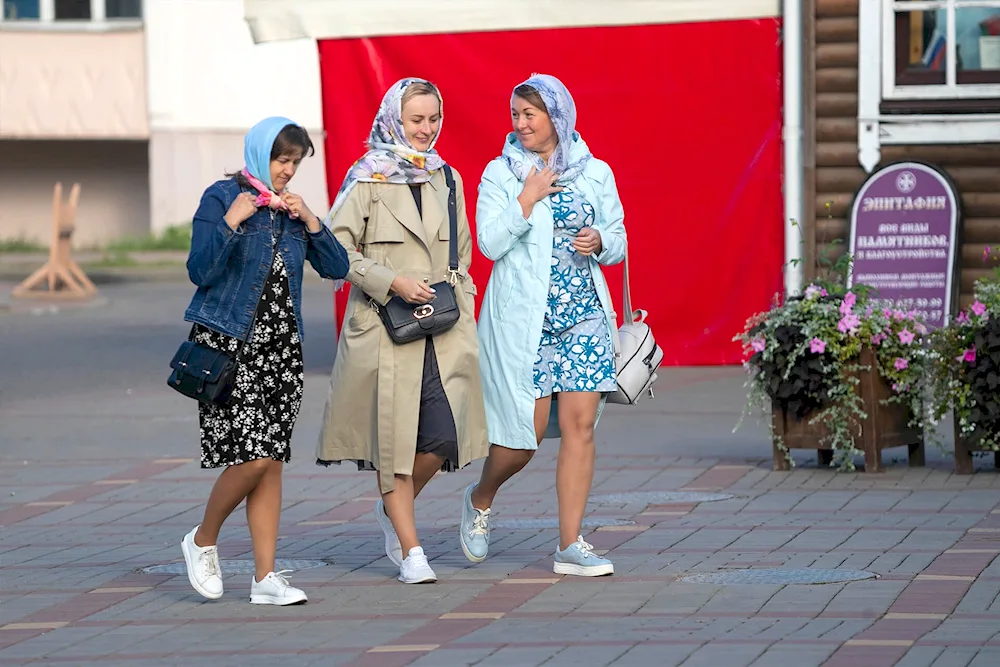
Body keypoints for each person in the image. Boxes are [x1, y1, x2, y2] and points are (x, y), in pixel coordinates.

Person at [316, 78, 489, 584]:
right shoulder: (367, 178)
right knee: (393, 438)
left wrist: (464, 305)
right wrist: (391, 281)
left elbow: (461, 257)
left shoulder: (447, 177)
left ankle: (395, 508)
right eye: (416, 120)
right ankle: (413, 551)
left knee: (443, 436)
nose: (426, 130)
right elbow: (333, 251)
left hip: (444, 327)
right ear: (396, 117)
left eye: (434, 119)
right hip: (384, 330)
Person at [462, 74, 626, 576]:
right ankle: (481, 497)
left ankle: (571, 544)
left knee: (581, 429)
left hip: (584, 318)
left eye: (530, 114)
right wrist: (526, 197)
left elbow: (620, 239)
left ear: (557, 117)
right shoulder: (501, 173)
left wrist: (601, 239)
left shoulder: (594, 171)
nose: (521, 123)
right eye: (515, 114)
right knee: (520, 440)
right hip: (524, 323)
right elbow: (488, 245)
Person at [180, 117, 350, 605]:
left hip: (282, 349)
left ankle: (265, 577)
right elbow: (199, 270)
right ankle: (202, 539)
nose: (288, 171)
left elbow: (337, 269)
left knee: (271, 461)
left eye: (296, 162)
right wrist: (232, 222)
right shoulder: (221, 197)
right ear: (260, 154)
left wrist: (313, 223)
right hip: (231, 347)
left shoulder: (290, 212)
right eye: (282, 160)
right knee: (252, 457)